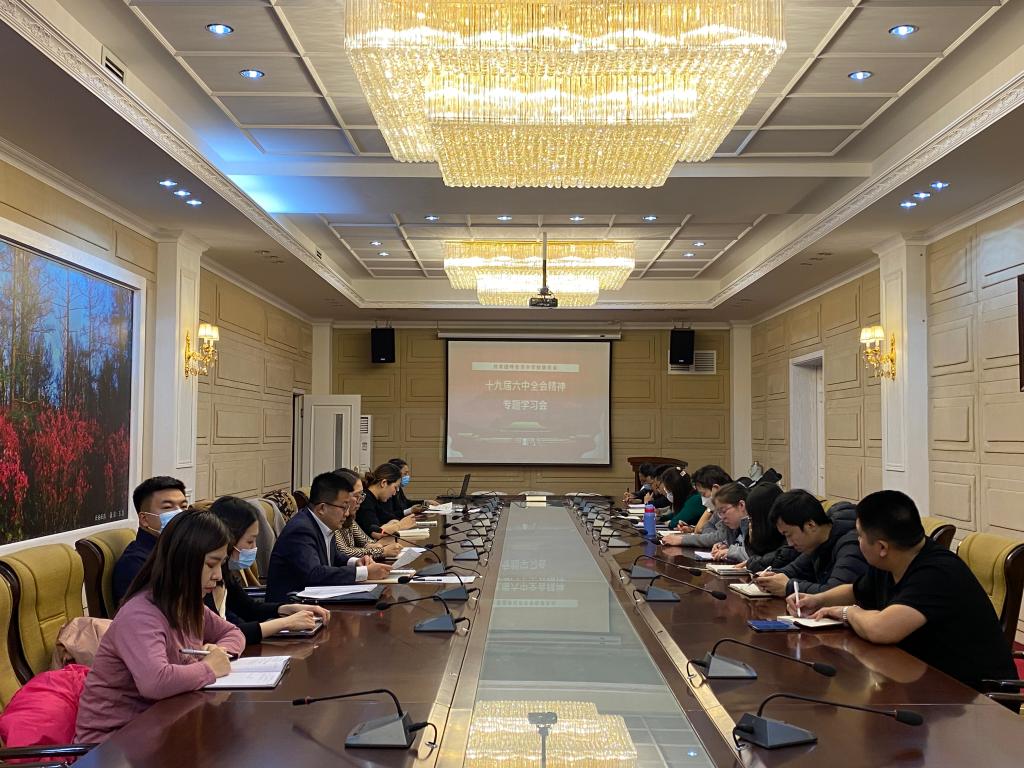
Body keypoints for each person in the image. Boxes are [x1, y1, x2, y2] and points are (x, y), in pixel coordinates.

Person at [790, 491, 1015, 692]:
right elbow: (857, 591)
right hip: (925, 681)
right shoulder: (893, 560)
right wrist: (818, 600)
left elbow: (881, 629)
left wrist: (847, 612)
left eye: (859, 536)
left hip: (974, 696)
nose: (857, 541)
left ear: (882, 547)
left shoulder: (936, 572)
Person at [75, 511, 245, 744]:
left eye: (221, 564)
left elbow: (232, 633)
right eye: (210, 564)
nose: (217, 576)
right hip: (111, 744)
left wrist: (219, 652)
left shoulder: (186, 603)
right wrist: (209, 668)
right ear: (182, 561)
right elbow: (154, 682)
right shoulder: (140, 614)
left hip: (161, 728)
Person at [207, 496, 330, 645]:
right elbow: (224, 633)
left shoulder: (224, 573)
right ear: (229, 538)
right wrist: (285, 623)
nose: (254, 548)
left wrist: (286, 609)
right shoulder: (203, 580)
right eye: (250, 541)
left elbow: (249, 608)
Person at [265, 471, 392, 602]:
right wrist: (364, 573)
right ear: (322, 508)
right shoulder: (301, 530)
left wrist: (356, 562)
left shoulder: (323, 523)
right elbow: (314, 574)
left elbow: (334, 557)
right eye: (344, 507)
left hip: (316, 600)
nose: (347, 513)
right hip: (291, 606)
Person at [755, 490, 867, 596]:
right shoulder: (817, 542)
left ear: (810, 525)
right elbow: (794, 571)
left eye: (789, 535)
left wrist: (789, 587)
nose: (789, 544)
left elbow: (835, 594)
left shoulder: (851, 545)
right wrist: (769, 578)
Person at [112, 476, 189, 607]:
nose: (179, 514)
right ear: (144, 519)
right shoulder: (136, 564)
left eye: (183, 507)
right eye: (168, 507)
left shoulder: (178, 549)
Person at [333, 469, 402, 560]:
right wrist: (381, 551)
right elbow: (344, 551)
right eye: (356, 496)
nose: (360, 501)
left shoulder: (349, 517)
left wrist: (375, 546)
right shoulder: (333, 518)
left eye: (361, 495)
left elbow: (366, 541)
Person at [659, 465, 733, 547]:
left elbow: (719, 538)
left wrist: (681, 540)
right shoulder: (718, 508)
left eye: (703, 494)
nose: (702, 499)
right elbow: (705, 529)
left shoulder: (732, 506)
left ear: (716, 489)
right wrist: (693, 529)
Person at [736, 483, 795, 572]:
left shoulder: (789, 533)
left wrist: (753, 559)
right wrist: (752, 542)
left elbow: (778, 560)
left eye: (752, 518)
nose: (751, 523)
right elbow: (758, 559)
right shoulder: (767, 533)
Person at [356, 463, 416, 541]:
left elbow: (391, 519)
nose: (394, 493)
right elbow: (376, 533)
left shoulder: (376, 499)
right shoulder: (365, 500)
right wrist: (400, 525)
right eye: (395, 487)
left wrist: (392, 524)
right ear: (383, 483)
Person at [708, 483, 750, 562]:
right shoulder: (733, 527)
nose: (722, 517)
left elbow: (758, 556)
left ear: (741, 505)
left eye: (724, 511)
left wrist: (731, 551)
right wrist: (724, 545)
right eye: (719, 513)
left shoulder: (758, 526)